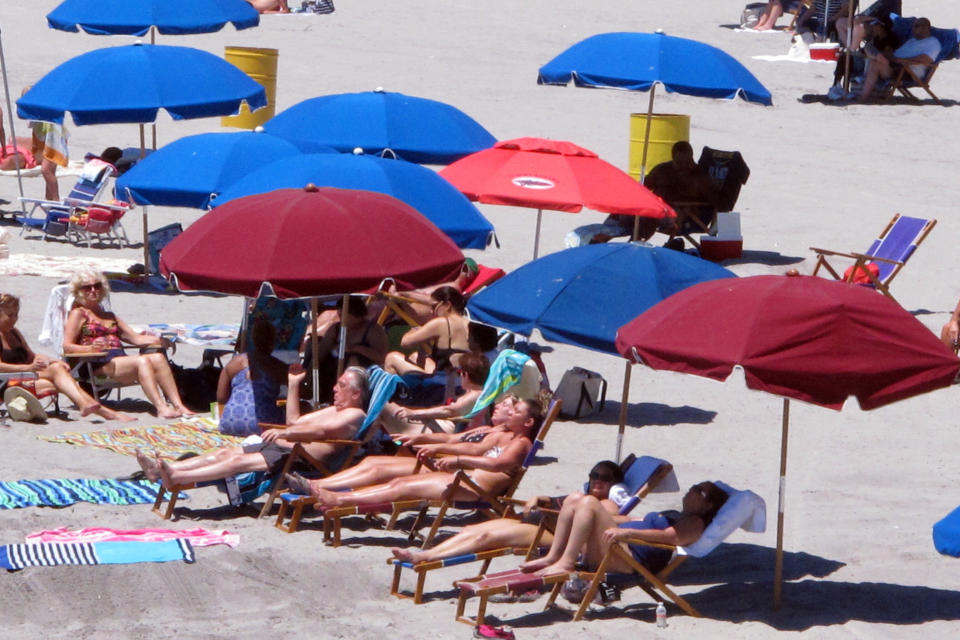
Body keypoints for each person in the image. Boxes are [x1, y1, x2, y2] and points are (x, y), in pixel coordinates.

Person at [285, 396, 543, 509]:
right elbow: (468, 444)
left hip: (473, 485)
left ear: (528, 422)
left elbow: (497, 465)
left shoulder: (521, 444)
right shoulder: (501, 433)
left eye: (515, 411)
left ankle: (338, 499)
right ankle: (318, 486)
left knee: (400, 486)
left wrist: (455, 459)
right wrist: (423, 439)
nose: (508, 412)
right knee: (385, 471)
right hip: (463, 476)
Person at [137, 367, 368, 488]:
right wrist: (293, 384)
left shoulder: (354, 414)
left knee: (237, 463)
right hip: (286, 447)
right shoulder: (334, 410)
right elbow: (294, 422)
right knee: (223, 453)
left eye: (342, 385)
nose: (335, 388)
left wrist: (286, 433)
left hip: (299, 457)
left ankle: (175, 476)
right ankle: (162, 471)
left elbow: (320, 433)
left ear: (356, 394)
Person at [390, 460, 628, 566]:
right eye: (594, 476)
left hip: (556, 538)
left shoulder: (606, 504)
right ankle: (427, 552)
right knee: (471, 529)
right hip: (541, 525)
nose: (597, 482)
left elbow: (610, 522)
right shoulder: (583, 496)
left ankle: (426, 558)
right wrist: (538, 499)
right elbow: (554, 500)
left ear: (614, 483)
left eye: (604, 478)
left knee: (486, 538)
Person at [519, 482, 728, 577]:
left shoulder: (696, 523)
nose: (692, 490)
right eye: (695, 486)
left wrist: (627, 533)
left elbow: (669, 537)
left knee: (589, 501)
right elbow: (634, 518)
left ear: (708, 506)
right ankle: (553, 556)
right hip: (617, 545)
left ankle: (566, 562)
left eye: (699, 492)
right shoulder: (676, 514)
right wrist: (601, 516)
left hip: (629, 558)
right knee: (576, 499)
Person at [62, 270, 194, 419]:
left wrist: (161, 340)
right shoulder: (78, 314)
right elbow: (67, 346)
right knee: (142, 361)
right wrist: (89, 348)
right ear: (79, 291)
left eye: (97, 286)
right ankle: (161, 407)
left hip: (119, 361)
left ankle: (179, 405)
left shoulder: (109, 315)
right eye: (87, 287)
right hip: (95, 363)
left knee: (157, 357)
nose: (93, 290)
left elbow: (136, 339)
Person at [0, 293, 133, 422]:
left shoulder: (14, 333)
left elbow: (32, 356)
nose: (14, 319)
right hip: (6, 384)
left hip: (24, 377)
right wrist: (28, 367)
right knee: (63, 379)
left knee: (60, 373)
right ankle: (100, 410)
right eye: (10, 315)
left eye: (16, 314)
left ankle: (91, 406)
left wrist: (53, 360)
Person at [378, 351, 490, 435]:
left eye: (459, 372)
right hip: (440, 426)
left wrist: (414, 413)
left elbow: (449, 411)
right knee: (381, 397)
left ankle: (371, 443)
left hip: (444, 433)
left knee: (379, 399)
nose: (458, 375)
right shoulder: (475, 391)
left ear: (465, 375)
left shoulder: (476, 394)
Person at [302, 296, 386, 403]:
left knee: (353, 359)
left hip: (361, 370)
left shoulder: (373, 330)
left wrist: (356, 348)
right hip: (334, 367)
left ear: (355, 315)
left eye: (343, 315)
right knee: (313, 348)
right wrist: (309, 374)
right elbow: (321, 353)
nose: (340, 318)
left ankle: (348, 397)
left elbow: (381, 357)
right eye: (339, 315)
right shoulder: (336, 329)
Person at [216, 319, 288, 436]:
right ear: (273, 341)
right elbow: (304, 393)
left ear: (253, 339)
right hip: (263, 426)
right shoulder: (278, 367)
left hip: (229, 423)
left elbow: (221, 397)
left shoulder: (234, 363)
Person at [383, 286, 471, 378]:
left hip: (444, 382)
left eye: (433, 307)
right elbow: (430, 300)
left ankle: (401, 391)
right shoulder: (466, 321)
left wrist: (415, 330)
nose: (431, 311)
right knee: (415, 356)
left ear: (447, 305)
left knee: (391, 358)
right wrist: (403, 294)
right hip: (459, 377)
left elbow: (405, 342)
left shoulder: (440, 323)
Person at [857, 17, 941, 103]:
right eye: (914, 26)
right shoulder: (912, 41)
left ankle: (863, 97)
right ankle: (876, 57)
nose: (913, 29)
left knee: (876, 63)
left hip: (907, 70)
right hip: (895, 64)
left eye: (916, 26)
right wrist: (887, 55)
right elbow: (896, 53)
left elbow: (927, 59)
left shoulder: (933, 42)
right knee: (870, 53)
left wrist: (902, 60)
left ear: (926, 27)